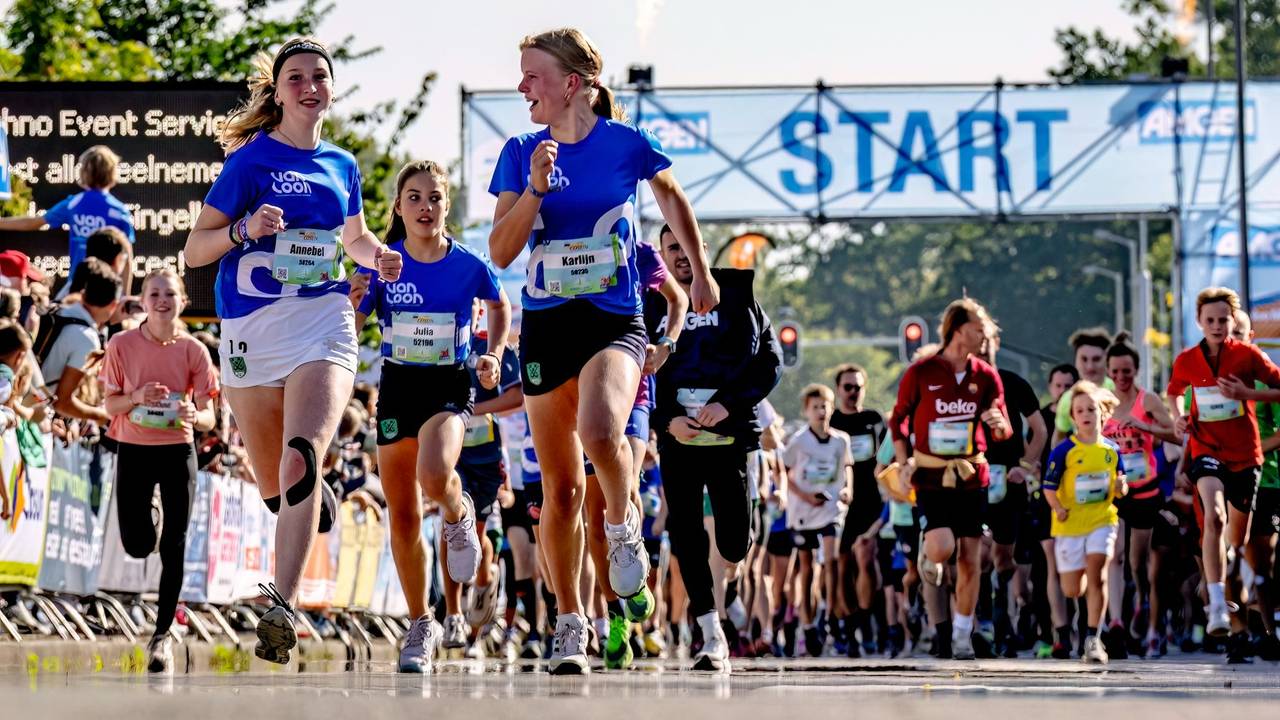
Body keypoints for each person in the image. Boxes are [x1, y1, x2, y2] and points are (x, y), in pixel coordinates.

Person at [486, 27, 718, 674]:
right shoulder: (519, 151)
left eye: (533, 75)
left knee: (600, 429)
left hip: (614, 320)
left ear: (573, 83)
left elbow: (673, 196)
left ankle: (621, 526)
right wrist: (534, 189)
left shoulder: (625, 142)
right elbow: (501, 253)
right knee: (558, 492)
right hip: (546, 327)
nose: (522, 87)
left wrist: (698, 272)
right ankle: (570, 623)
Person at [184, 37, 403, 666]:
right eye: (297, 77)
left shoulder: (342, 164)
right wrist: (244, 230)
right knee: (276, 484)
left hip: (325, 321)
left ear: (331, 89)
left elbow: (355, 240)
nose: (310, 86)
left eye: (320, 77)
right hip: (252, 328)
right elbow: (194, 251)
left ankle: (280, 604)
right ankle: (306, 504)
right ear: (277, 92)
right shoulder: (250, 163)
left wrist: (378, 257)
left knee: (303, 455)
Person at [354, 160, 510, 672]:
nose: (425, 207)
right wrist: (354, 303)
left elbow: (499, 303)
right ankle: (421, 623)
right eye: (415, 198)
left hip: (448, 384)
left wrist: (492, 352)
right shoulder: (383, 261)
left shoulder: (468, 264)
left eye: (436, 198)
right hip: (399, 386)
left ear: (447, 206)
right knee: (400, 512)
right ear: (398, 207)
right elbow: (355, 314)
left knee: (435, 473)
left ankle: (457, 511)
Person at [646, 226, 781, 671]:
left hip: (730, 434)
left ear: (702, 250)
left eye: (687, 248)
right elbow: (630, 372)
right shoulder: (651, 303)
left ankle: (734, 581)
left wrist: (728, 404)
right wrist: (665, 421)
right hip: (679, 439)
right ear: (662, 255)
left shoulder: (738, 295)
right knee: (686, 534)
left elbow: (770, 362)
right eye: (671, 250)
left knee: (735, 542)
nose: (681, 257)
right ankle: (710, 631)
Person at [99, 269, 218, 673]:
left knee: (175, 544)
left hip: (177, 451)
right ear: (144, 300)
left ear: (183, 300)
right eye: (154, 293)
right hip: (133, 448)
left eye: (170, 293)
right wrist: (135, 397)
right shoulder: (122, 344)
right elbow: (109, 406)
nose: (162, 300)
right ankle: (147, 513)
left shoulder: (194, 351)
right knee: (136, 545)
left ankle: (162, 634)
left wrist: (193, 413)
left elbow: (209, 418)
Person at [889, 298, 1011, 660]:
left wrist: (999, 426)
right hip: (930, 475)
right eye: (980, 329)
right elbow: (899, 419)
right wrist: (903, 461)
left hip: (972, 475)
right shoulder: (922, 372)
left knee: (971, 557)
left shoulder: (985, 375)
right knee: (942, 547)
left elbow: (1001, 423)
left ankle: (962, 633)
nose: (985, 335)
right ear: (958, 329)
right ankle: (930, 556)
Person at [1166, 287, 1280, 663]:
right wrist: (1178, 416)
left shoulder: (1248, 355)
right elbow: (1175, 392)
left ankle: (1227, 580)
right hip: (1206, 449)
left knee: (1237, 539)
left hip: (1246, 455)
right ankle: (1216, 601)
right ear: (1199, 321)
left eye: (1222, 319)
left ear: (1234, 322)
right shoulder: (1186, 360)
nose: (1216, 326)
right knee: (1212, 515)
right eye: (1209, 320)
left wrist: (1248, 393)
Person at [1100, 332, 1177, 658]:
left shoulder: (1148, 401)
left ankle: (1141, 600)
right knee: (1114, 555)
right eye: (1115, 372)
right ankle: (1116, 620)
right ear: (1108, 371)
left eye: (1127, 371)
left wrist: (1145, 428)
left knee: (1138, 561)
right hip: (1114, 490)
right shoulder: (1102, 401)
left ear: (1136, 370)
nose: (1120, 377)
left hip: (1145, 488)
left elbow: (1175, 432)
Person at [1042, 380, 1127, 664]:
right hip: (1069, 526)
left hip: (1102, 520)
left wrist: (1120, 488)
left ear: (1102, 412)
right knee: (1072, 589)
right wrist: (1058, 508)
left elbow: (1120, 483)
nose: (1086, 414)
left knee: (1098, 572)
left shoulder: (1112, 450)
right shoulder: (1065, 450)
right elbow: (1049, 488)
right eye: (1080, 410)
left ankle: (1093, 638)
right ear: (1073, 417)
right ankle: (1082, 620)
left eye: (1091, 408)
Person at [981, 325, 1048, 658]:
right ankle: (980, 625)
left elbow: (1039, 429)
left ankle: (1001, 612)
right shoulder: (959, 385)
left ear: (996, 344)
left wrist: (1026, 464)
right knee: (975, 552)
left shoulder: (1013, 383)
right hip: (971, 480)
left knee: (1003, 560)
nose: (979, 349)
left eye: (985, 343)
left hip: (1007, 481)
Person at [0, 145, 136, 293]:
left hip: (77, 285)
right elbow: (127, 257)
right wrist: (124, 297)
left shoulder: (74, 204)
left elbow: (35, 222)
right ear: (112, 172)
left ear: (84, 172)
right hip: (108, 290)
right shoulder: (120, 210)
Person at [782, 384, 853, 658]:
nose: (821, 412)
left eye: (825, 406)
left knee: (833, 560)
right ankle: (809, 624)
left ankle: (833, 617)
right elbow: (785, 473)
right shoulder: (799, 440)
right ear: (806, 411)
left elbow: (848, 468)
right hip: (803, 511)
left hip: (831, 508)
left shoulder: (841, 440)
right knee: (807, 569)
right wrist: (805, 495)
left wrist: (848, 489)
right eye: (815, 407)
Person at [1231, 309, 1280, 660]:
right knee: (1242, 559)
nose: (1230, 336)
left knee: (1268, 558)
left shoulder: (1265, 381)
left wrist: (1252, 451)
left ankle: (1268, 626)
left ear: (1250, 338)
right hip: (1230, 478)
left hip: (1270, 479)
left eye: (1238, 331)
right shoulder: (1206, 381)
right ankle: (1250, 633)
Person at [828, 363, 886, 657]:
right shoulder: (832, 421)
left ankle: (867, 625)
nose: (853, 393)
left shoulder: (874, 420)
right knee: (841, 567)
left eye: (858, 387)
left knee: (865, 558)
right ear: (838, 390)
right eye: (847, 387)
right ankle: (847, 627)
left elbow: (890, 456)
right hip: (839, 504)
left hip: (870, 502)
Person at [35, 257, 122, 425]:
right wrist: (100, 414)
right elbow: (62, 402)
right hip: (35, 422)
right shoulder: (87, 339)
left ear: (83, 295)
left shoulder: (55, 309)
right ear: (113, 305)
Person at [1052, 328, 1114, 446]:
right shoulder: (1068, 399)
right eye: (1084, 359)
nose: (1089, 366)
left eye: (1096, 359)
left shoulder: (1118, 389)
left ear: (1107, 360)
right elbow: (1058, 441)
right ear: (1076, 361)